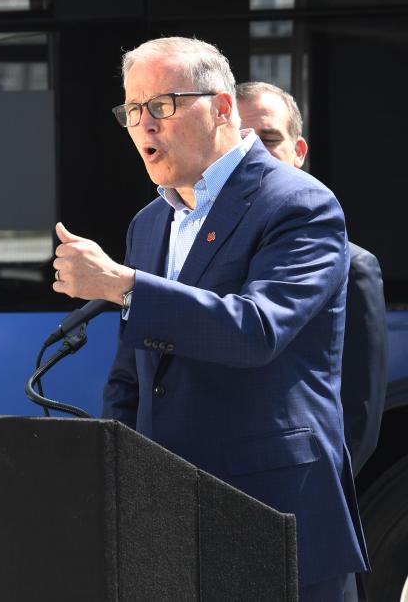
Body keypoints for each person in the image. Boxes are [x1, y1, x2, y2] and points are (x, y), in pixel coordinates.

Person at [51, 37, 367, 600]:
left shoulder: (300, 204)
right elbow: (132, 376)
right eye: (132, 110)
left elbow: (256, 330)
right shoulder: (149, 222)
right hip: (169, 524)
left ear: (222, 108)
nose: (144, 126)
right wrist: (121, 478)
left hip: (272, 517)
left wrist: (121, 285)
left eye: (162, 105)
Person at [236, 81, 388, 476]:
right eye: (238, 139)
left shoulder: (352, 266)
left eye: (268, 138)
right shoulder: (192, 252)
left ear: (298, 152)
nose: (253, 152)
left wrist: (315, 497)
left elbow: (357, 418)